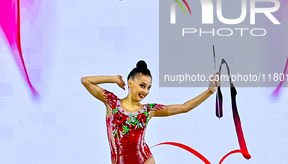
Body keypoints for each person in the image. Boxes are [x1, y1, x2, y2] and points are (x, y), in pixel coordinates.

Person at [81, 60, 219, 164]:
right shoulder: (112, 103)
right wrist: (114, 79)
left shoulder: (148, 110)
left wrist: (209, 91)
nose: (145, 91)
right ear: (130, 82)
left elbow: (184, 107)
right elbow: (86, 81)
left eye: (148, 88)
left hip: (144, 160)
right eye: (142, 86)